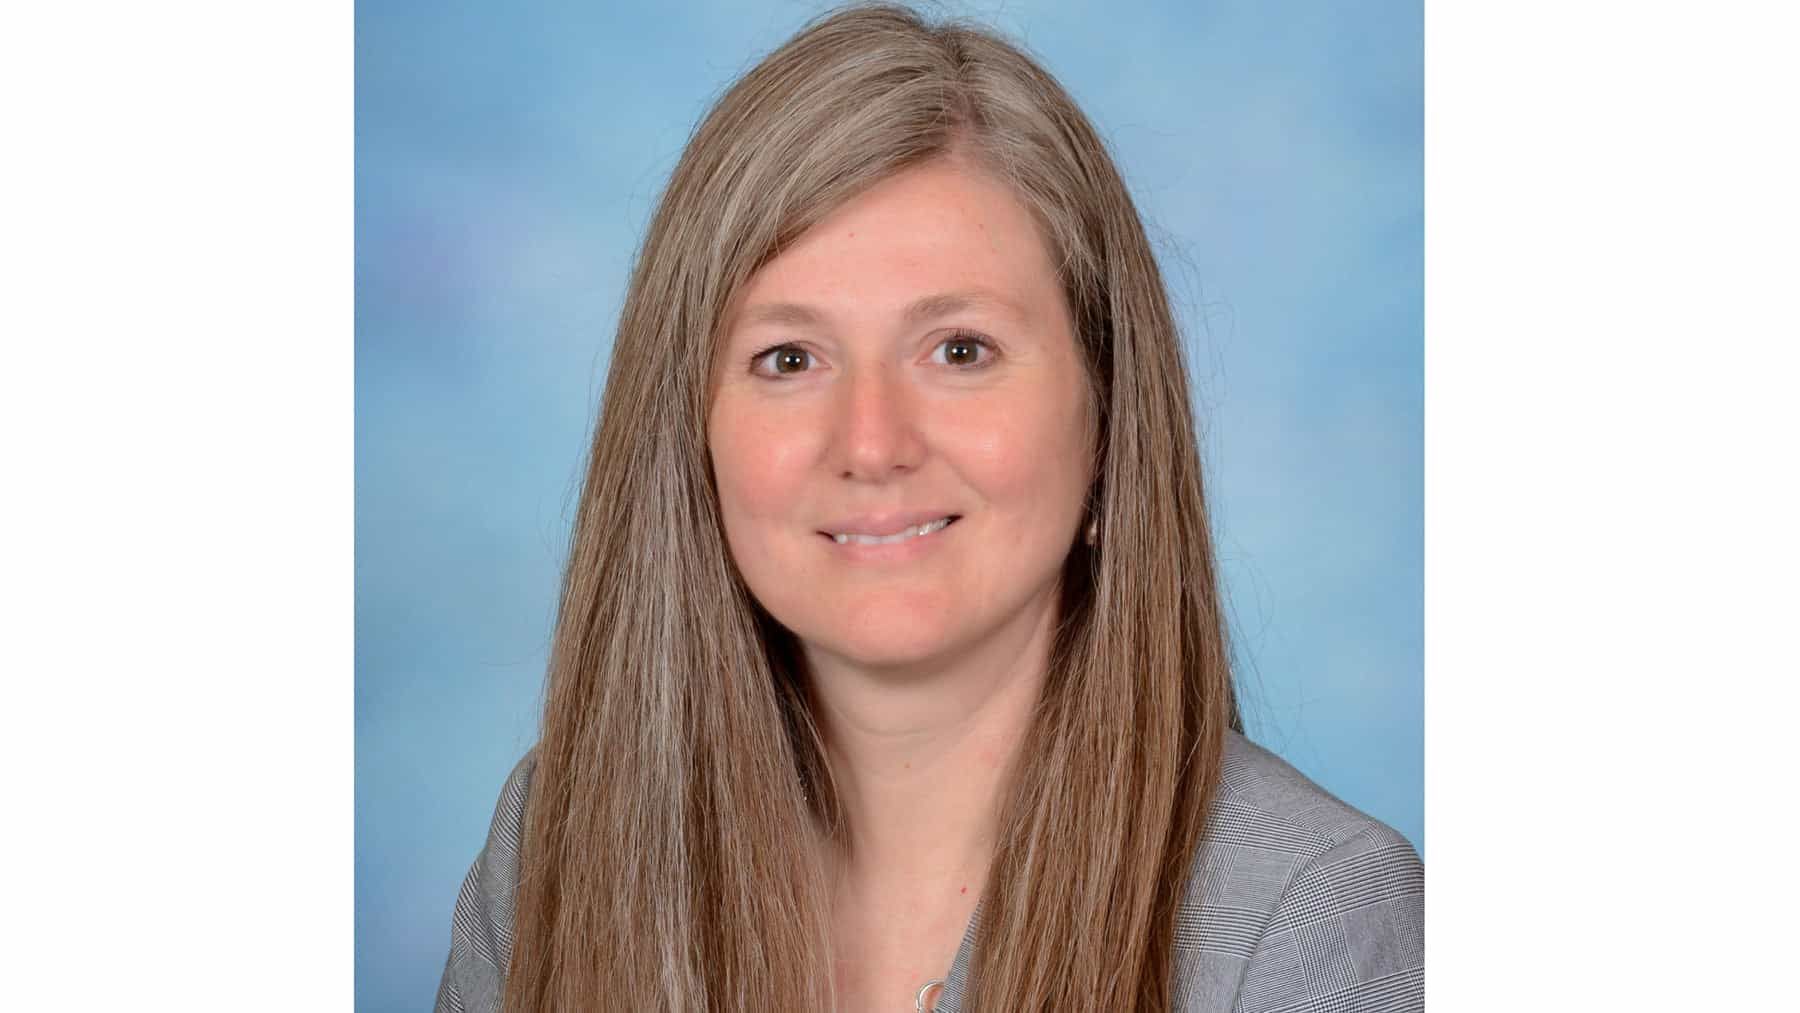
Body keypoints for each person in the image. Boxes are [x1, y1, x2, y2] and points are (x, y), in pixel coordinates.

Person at [435, 3, 1423, 1010]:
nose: (871, 443)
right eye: (789, 358)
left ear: (1110, 418)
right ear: (690, 436)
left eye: (960, 350)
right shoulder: (558, 839)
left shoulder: (1316, 920)